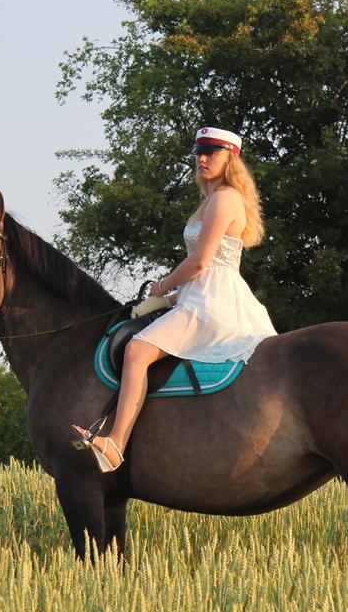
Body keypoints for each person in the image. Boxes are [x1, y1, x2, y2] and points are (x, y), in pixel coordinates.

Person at [72, 126, 277, 472]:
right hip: (198, 296)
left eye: (211, 152)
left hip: (212, 302)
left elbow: (201, 262)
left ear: (230, 158)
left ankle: (116, 443)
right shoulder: (211, 200)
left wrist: (164, 285)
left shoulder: (225, 197)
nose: (201, 158)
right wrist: (168, 299)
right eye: (199, 152)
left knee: (137, 349)